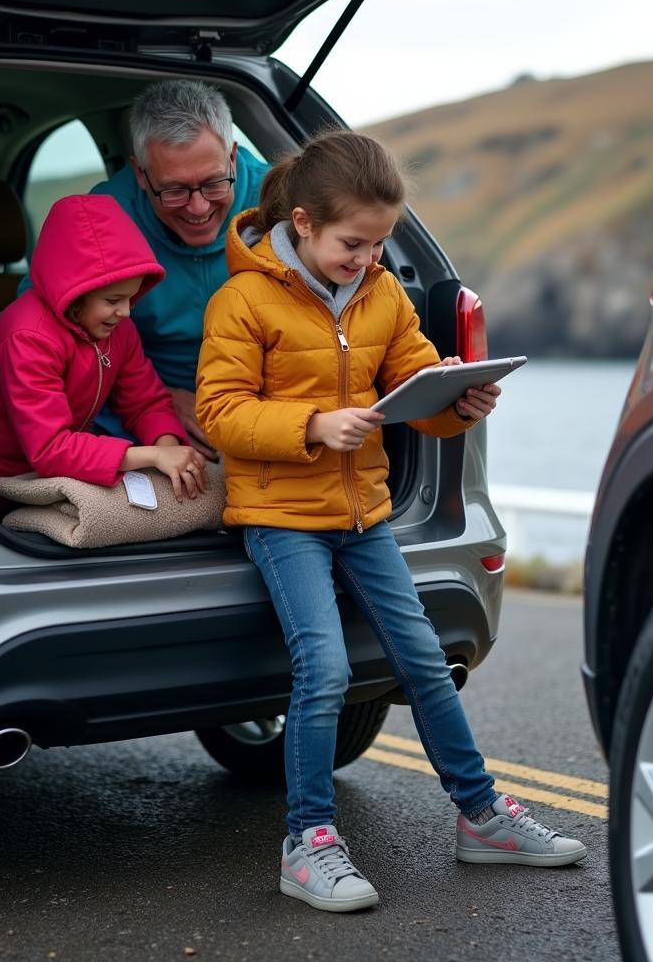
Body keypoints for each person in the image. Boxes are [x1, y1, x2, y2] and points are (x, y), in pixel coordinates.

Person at [195, 131, 586, 913]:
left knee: (422, 658)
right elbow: (218, 411)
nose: (368, 257)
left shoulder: (383, 293)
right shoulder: (242, 298)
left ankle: (481, 819)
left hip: (363, 513)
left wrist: (455, 402)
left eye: (380, 243)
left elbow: (412, 388)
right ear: (302, 222)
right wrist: (311, 425)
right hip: (282, 518)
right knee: (327, 669)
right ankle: (307, 845)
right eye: (353, 242)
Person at [0, 194, 208, 516]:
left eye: (132, 298)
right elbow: (50, 448)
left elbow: (144, 401)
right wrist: (151, 457)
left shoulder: (116, 328)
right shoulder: (27, 338)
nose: (125, 312)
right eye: (114, 299)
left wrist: (168, 448)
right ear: (75, 293)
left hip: (57, 478)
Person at [90, 78, 269, 458]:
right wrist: (160, 400)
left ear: (233, 155)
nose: (199, 208)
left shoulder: (284, 204)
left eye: (214, 183)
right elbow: (55, 342)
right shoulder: (101, 221)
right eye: (174, 190)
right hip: (141, 415)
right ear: (140, 174)